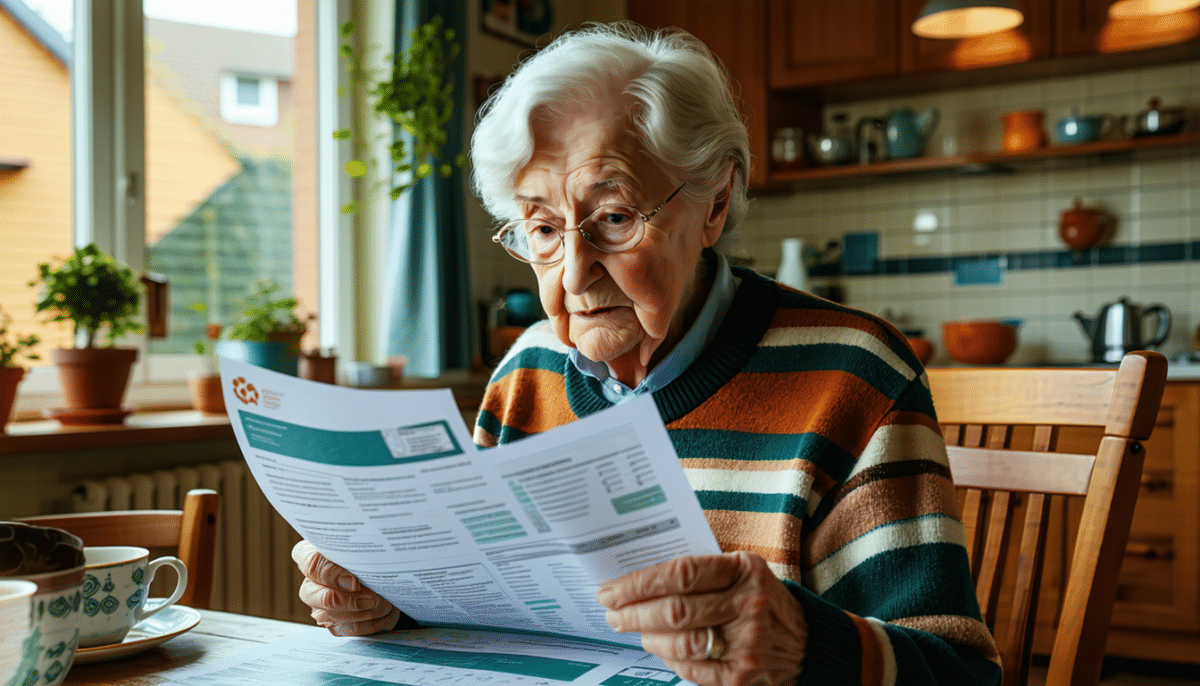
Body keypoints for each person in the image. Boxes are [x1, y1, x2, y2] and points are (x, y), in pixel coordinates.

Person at [292, 22, 1001, 686]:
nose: (574, 275)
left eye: (614, 218)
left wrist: (804, 645)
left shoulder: (854, 374)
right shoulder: (528, 372)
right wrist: (394, 601)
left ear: (715, 201)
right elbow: (486, 614)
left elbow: (961, 673)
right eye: (543, 229)